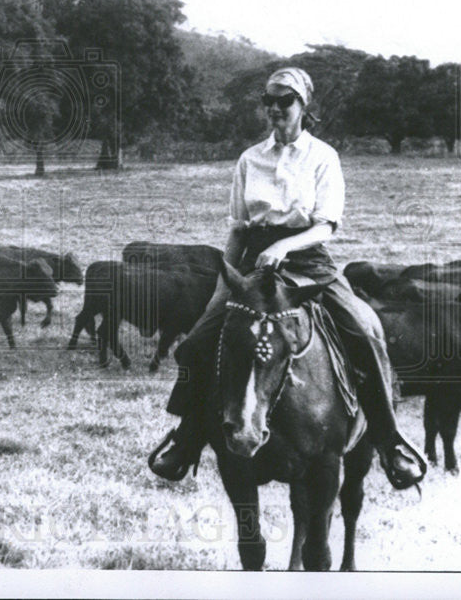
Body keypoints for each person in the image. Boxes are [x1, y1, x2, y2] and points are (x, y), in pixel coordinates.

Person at [148, 67, 427, 490]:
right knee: (197, 344)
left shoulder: (323, 156)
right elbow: (239, 227)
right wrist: (227, 280)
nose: (276, 109)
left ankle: (390, 443)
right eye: (270, 102)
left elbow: (325, 225)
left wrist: (285, 247)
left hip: (309, 262)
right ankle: (187, 438)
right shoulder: (249, 159)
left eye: (286, 101)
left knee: (364, 329)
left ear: (303, 106)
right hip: (252, 266)